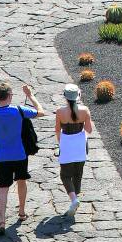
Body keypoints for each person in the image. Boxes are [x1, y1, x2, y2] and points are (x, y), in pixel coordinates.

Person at [0, 81, 45, 234]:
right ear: (10, 95)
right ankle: (22, 212)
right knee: (21, 181)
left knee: (3, 189)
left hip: (2, 155)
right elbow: (41, 112)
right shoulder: (18, 110)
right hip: (19, 153)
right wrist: (30, 95)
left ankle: (2, 221)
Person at [54, 83, 92, 217]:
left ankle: (74, 200)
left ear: (65, 96)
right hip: (80, 145)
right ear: (78, 96)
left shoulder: (60, 111)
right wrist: (81, 138)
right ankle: (75, 200)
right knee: (78, 174)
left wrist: (61, 144)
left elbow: (58, 130)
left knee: (65, 175)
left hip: (66, 144)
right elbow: (89, 130)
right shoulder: (85, 110)